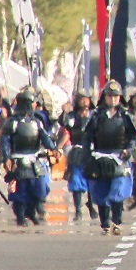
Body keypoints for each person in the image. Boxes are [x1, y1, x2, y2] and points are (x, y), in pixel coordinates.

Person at [82, 84, 136, 235]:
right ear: (104, 97)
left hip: (119, 158)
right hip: (100, 157)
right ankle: (105, 223)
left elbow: (132, 137)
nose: (113, 99)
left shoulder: (125, 116)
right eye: (110, 96)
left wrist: (128, 150)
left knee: (118, 190)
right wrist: (87, 155)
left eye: (115, 96)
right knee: (101, 192)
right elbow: (87, 137)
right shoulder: (96, 116)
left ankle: (117, 222)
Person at [0, 91, 54, 227]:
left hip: (34, 159)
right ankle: (21, 216)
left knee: (39, 188)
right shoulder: (12, 122)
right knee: (20, 191)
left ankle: (31, 211)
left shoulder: (37, 122)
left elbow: (45, 137)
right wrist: (6, 158)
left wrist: (53, 148)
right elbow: (4, 141)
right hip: (18, 159)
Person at [59, 90, 95, 224]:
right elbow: (66, 124)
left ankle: (91, 204)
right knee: (76, 180)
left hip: (91, 150)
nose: (85, 102)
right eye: (82, 99)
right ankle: (78, 209)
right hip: (77, 150)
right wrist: (65, 113)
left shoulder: (94, 115)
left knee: (92, 179)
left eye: (87, 99)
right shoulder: (73, 116)